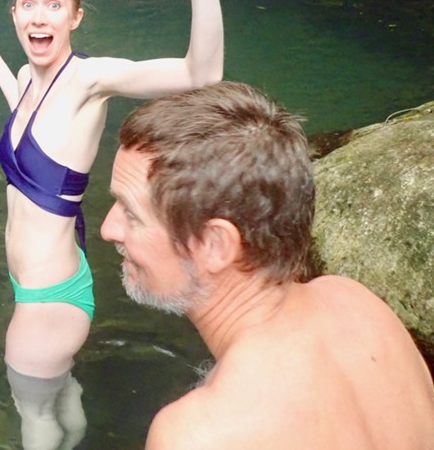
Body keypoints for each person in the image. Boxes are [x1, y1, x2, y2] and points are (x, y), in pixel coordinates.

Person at [0, 0, 227, 449]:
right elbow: (28, 133)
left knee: (32, 417)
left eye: (54, 5)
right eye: (28, 4)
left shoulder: (89, 79)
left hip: (49, 301)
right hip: (39, 282)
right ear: (14, 14)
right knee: (59, 401)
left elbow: (200, 74)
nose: (39, 15)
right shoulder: (27, 79)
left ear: (75, 17)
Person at [100, 81, 434, 449]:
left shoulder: (199, 435)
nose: (107, 229)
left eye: (131, 214)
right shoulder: (360, 306)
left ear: (215, 245)